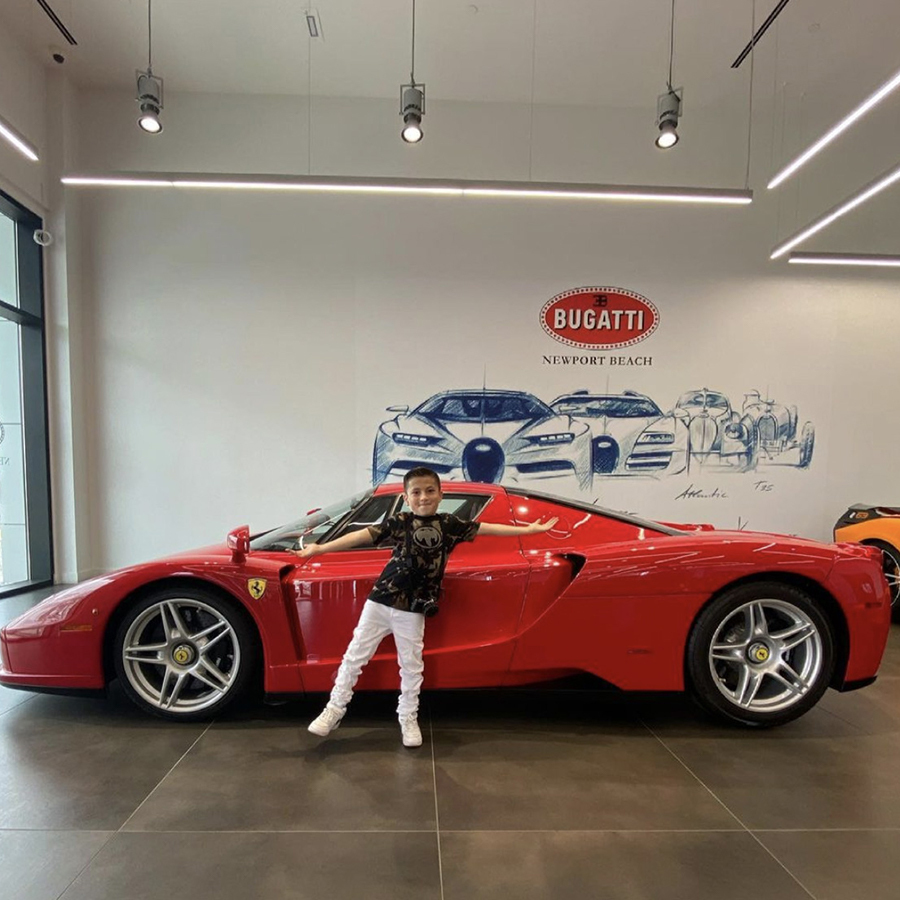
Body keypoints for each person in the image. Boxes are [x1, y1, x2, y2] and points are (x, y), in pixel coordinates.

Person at [293, 467, 557, 747]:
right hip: (381, 600)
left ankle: (408, 717)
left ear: (441, 494)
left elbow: (486, 528)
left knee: (411, 665)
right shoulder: (400, 522)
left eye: (430, 491)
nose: (423, 497)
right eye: (416, 492)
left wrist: (527, 530)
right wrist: (320, 549)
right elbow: (364, 535)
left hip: (413, 609)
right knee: (354, 656)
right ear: (407, 498)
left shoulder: (449, 524)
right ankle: (334, 709)